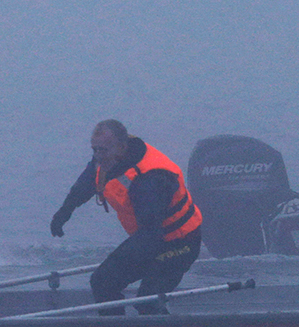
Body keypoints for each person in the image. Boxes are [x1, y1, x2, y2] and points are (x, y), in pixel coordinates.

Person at [50, 119, 203, 315]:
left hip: (179, 244)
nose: (97, 156)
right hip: (150, 238)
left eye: (102, 150)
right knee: (102, 283)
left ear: (122, 147)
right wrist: (64, 212)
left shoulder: (151, 178)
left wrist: (120, 259)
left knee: (147, 301)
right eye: (94, 149)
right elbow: (87, 182)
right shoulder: (106, 159)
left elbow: (151, 235)